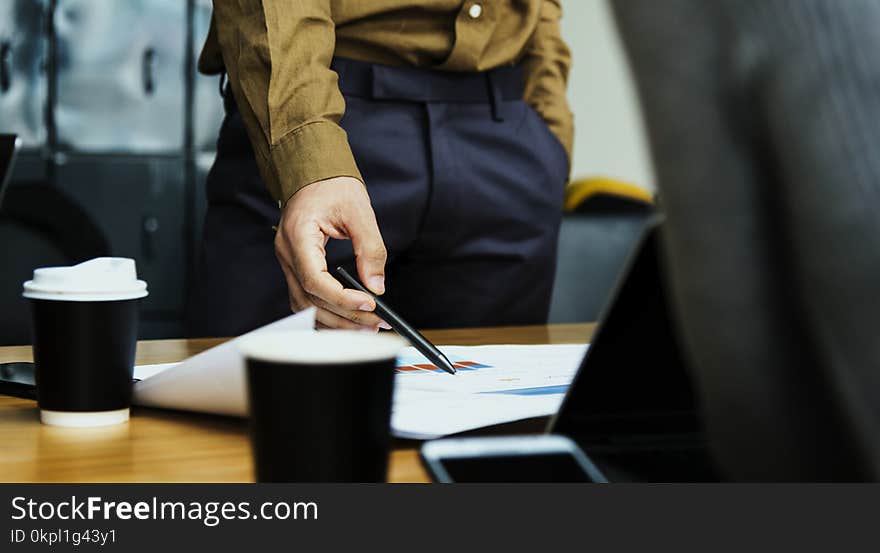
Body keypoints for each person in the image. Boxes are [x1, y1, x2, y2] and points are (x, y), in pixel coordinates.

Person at [186, 1, 573, 337]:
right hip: (330, 115)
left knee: (497, 413)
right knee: (259, 407)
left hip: (500, 131)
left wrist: (548, 137)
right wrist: (307, 153)